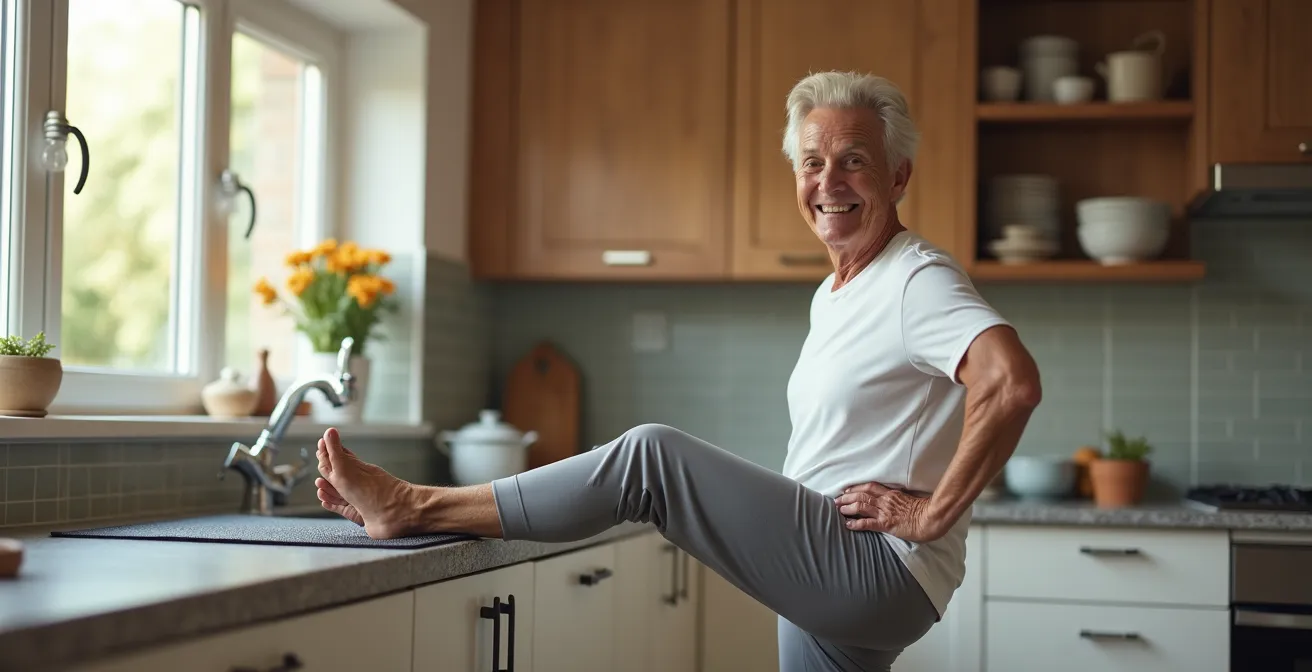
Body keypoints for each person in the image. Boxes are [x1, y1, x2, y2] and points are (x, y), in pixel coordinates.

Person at [312, 70, 1041, 672]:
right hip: (839, 560)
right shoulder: (839, 291)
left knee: (649, 460)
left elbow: (1010, 381)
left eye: (854, 159)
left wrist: (931, 512)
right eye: (813, 162)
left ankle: (412, 505)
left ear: (899, 174)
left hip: (877, 564)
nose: (830, 180)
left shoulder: (916, 278)